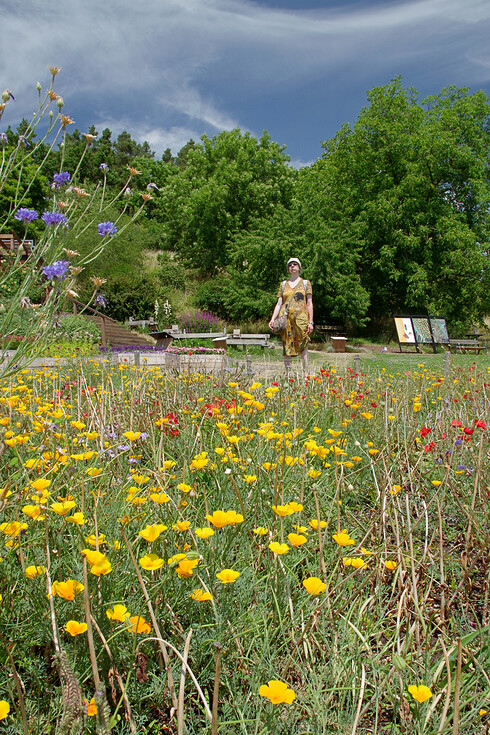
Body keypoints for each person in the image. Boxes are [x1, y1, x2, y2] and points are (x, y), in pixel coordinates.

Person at [268, 257, 313, 373]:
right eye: (290, 265)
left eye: (295, 264)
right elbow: (279, 303)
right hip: (286, 320)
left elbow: (309, 303)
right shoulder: (283, 284)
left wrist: (310, 322)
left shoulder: (305, 283)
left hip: (301, 320)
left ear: (299, 267)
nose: (292, 266)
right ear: (288, 269)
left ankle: (306, 375)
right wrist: (273, 319)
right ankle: (288, 375)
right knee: (286, 345)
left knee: (303, 344)